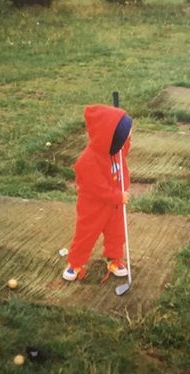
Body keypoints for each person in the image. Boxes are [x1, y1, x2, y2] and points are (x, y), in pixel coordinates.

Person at [63, 104, 132, 282]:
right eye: (121, 136)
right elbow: (97, 188)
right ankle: (75, 263)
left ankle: (114, 259)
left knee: (117, 233)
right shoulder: (87, 161)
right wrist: (118, 196)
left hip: (114, 205)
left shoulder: (116, 150)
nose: (123, 141)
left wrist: (127, 135)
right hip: (93, 206)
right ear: (108, 137)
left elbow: (125, 148)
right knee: (86, 234)